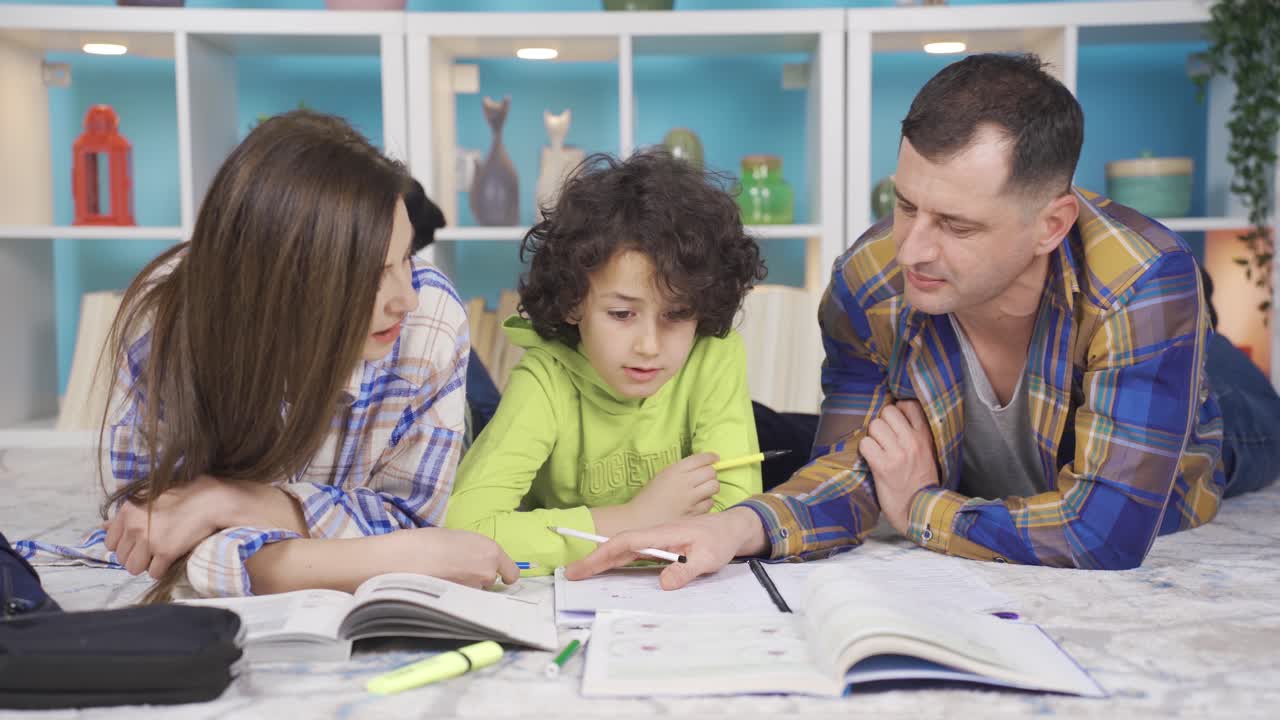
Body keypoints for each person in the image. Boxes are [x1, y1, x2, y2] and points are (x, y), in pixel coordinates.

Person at [566, 53, 1280, 590]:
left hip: (1212, 417)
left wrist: (921, 510)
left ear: (1050, 224)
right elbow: (851, 469)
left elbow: (1104, 532)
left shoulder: (1144, 279)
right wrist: (730, 529)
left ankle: (1222, 363)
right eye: (907, 205)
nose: (911, 248)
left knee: (1259, 419)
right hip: (1013, 451)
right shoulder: (870, 279)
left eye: (956, 225)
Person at [80, 110, 517, 601]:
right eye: (374, 274)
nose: (406, 298)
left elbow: (409, 518)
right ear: (282, 283)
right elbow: (149, 540)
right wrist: (395, 556)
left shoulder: (429, 318)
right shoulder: (164, 325)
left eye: (406, 261)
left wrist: (225, 500)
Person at [445, 151, 768, 572]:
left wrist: (590, 538)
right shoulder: (547, 378)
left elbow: (732, 521)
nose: (649, 346)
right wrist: (634, 518)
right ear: (574, 302)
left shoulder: (714, 355)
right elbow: (464, 532)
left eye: (676, 314)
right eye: (621, 314)